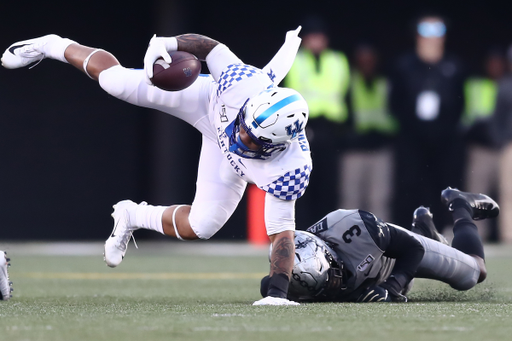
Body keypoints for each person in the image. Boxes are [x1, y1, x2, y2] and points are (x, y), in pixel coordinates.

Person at [2, 27, 311, 306]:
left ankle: (132, 214)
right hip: (210, 104)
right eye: (245, 125)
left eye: (252, 139)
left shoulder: (289, 169)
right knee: (115, 82)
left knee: (202, 226)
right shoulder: (241, 84)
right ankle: (53, 45)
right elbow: (211, 48)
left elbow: (281, 233)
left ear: (277, 146)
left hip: (231, 157)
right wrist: (167, 42)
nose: (240, 136)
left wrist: (277, 293)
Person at [260, 187, 499, 302]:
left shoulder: (356, 228)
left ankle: (460, 205)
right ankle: (425, 227)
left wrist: (392, 286)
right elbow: (269, 285)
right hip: (374, 273)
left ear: (328, 254)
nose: (333, 285)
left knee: (473, 274)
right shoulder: (292, 275)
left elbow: (412, 249)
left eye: (332, 276)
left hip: (398, 252)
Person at [389, 14, 466, 230]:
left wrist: (444, 130)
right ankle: (408, 232)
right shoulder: (404, 66)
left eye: (437, 31)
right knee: (410, 186)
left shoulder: (453, 66)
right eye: (426, 31)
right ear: (417, 36)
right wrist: (412, 129)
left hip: (444, 141)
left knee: (443, 188)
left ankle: (441, 233)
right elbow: (395, 103)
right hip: (412, 140)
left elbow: (461, 103)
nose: (431, 38)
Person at [284, 17, 350, 224]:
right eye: (312, 37)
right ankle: (303, 226)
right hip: (305, 127)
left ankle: (327, 228)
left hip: (331, 128)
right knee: (303, 181)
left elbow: (344, 92)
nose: (316, 41)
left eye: (319, 37)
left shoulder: (338, 60)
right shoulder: (296, 60)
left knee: (329, 182)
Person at [340, 43, 397, 221]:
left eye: (370, 59)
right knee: (350, 198)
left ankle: (381, 239)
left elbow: (395, 114)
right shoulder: (348, 83)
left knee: (379, 198)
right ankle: (346, 239)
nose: (367, 63)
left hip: (380, 148)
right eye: (362, 59)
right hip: (353, 149)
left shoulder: (385, 83)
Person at [463, 49, 506, 241]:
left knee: (508, 193)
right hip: (481, 148)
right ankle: (478, 238)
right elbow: (466, 119)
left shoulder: (508, 85)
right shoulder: (475, 85)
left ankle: (507, 237)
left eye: (498, 62)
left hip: (504, 148)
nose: (495, 66)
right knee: (478, 196)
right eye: (491, 62)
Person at [491, 44, 512, 243]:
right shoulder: (505, 86)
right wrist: (501, 142)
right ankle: (508, 235)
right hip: (510, 145)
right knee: (508, 191)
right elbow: (496, 118)